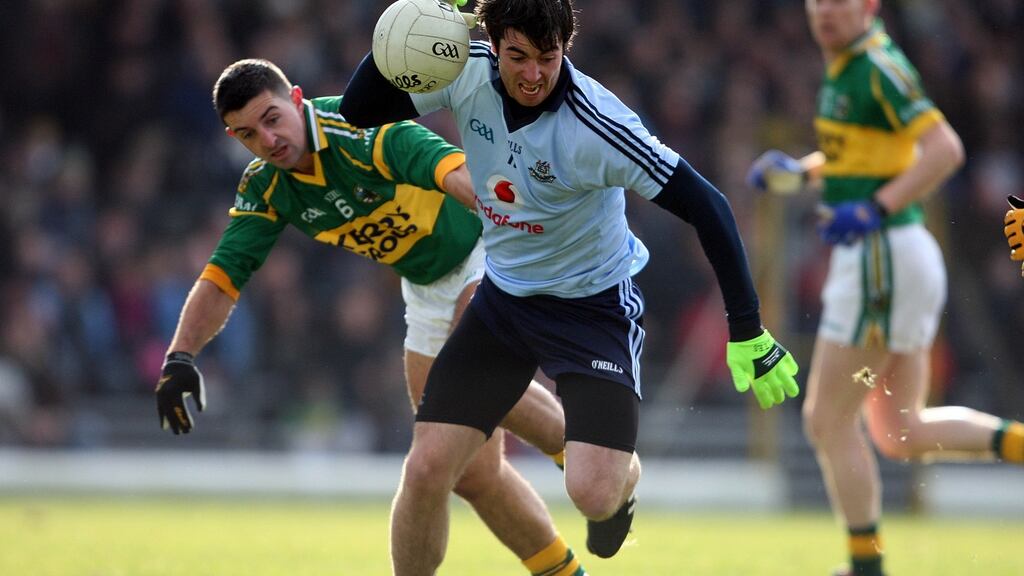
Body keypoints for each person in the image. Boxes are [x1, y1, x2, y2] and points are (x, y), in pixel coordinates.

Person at [340, 0, 801, 573]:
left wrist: (748, 330)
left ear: (566, 48)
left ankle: (621, 478)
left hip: (593, 310)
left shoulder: (599, 126)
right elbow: (360, 111)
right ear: (492, 41)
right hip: (502, 303)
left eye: (548, 58)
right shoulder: (463, 66)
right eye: (518, 57)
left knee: (593, 493)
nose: (533, 74)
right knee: (427, 469)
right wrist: (407, 32)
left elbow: (710, 207)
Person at [154, 58, 591, 576]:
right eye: (248, 134)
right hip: (426, 290)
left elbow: (447, 167)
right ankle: (592, 462)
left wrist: (521, 221)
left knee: (461, 391)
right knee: (459, 473)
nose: (267, 139)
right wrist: (179, 355)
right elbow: (224, 276)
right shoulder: (267, 187)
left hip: (488, 249)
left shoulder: (359, 127)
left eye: (272, 118)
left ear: (296, 99)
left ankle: (594, 460)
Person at [747, 2, 1024, 575]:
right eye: (817, 0)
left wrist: (874, 209)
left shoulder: (876, 65)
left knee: (826, 419)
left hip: (882, 263)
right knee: (899, 430)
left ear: (869, 5)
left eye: (840, 0)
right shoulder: (847, 65)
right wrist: (804, 173)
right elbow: (868, 157)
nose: (825, 10)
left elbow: (945, 150)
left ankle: (864, 565)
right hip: (897, 263)